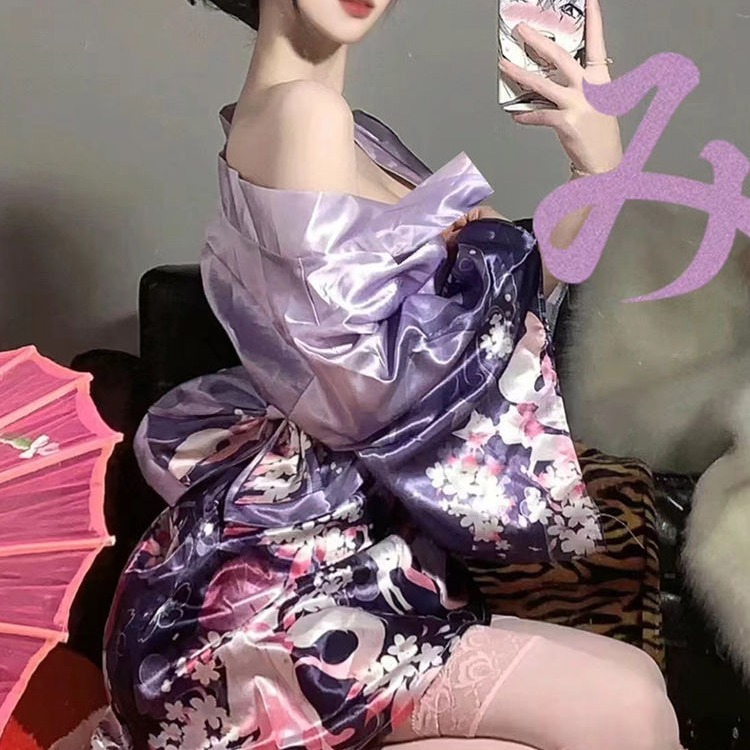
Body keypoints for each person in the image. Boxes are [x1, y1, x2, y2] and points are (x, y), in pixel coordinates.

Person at [92, 1, 684, 749]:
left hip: (359, 550)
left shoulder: (348, 129)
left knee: (635, 681)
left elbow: (525, 280)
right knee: (626, 710)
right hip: (293, 580)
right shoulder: (307, 116)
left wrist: (598, 169)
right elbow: (367, 389)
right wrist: (523, 233)